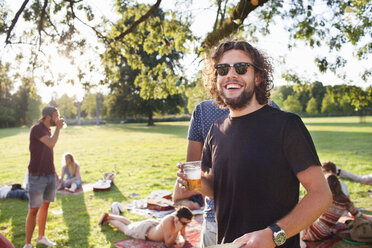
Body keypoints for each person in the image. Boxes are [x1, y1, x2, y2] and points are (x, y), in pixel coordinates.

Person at [177, 38, 332, 248]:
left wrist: (274, 234)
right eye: (222, 69)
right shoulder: (216, 130)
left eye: (240, 68)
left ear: (258, 77)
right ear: (216, 79)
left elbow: (321, 194)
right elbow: (217, 186)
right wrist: (192, 181)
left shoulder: (286, 125)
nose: (231, 74)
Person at [184, 99, 280, 247]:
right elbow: (192, 173)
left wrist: (192, 180)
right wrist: (190, 180)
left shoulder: (270, 108)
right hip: (225, 220)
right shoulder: (203, 111)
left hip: (248, 222)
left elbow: (193, 172)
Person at [24, 106, 65, 248]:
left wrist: (55, 172)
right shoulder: (37, 129)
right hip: (37, 176)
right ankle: (28, 244)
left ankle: (41, 237)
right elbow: (51, 144)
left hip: (49, 175)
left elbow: (47, 154)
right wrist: (59, 129)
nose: (58, 118)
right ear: (48, 117)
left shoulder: (48, 130)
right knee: (34, 209)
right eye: (56, 116)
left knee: (45, 206)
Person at [302, 174, 372, 241]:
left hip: (314, 232)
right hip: (326, 233)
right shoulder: (345, 200)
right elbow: (357, 215)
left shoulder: (325, 197)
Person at [98, 206, 193, 248]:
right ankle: (109, 219)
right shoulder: (169, 220)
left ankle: (110, 216)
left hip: (151, 225)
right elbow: (168, 244)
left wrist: (182, 239)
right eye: (184, 223)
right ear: (177, 219)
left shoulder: (180, 220)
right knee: (126, 229)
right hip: (144, 231)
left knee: (131, 224)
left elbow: (182, 235)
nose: (185, 225)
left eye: (187, 223)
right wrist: (177, 230)